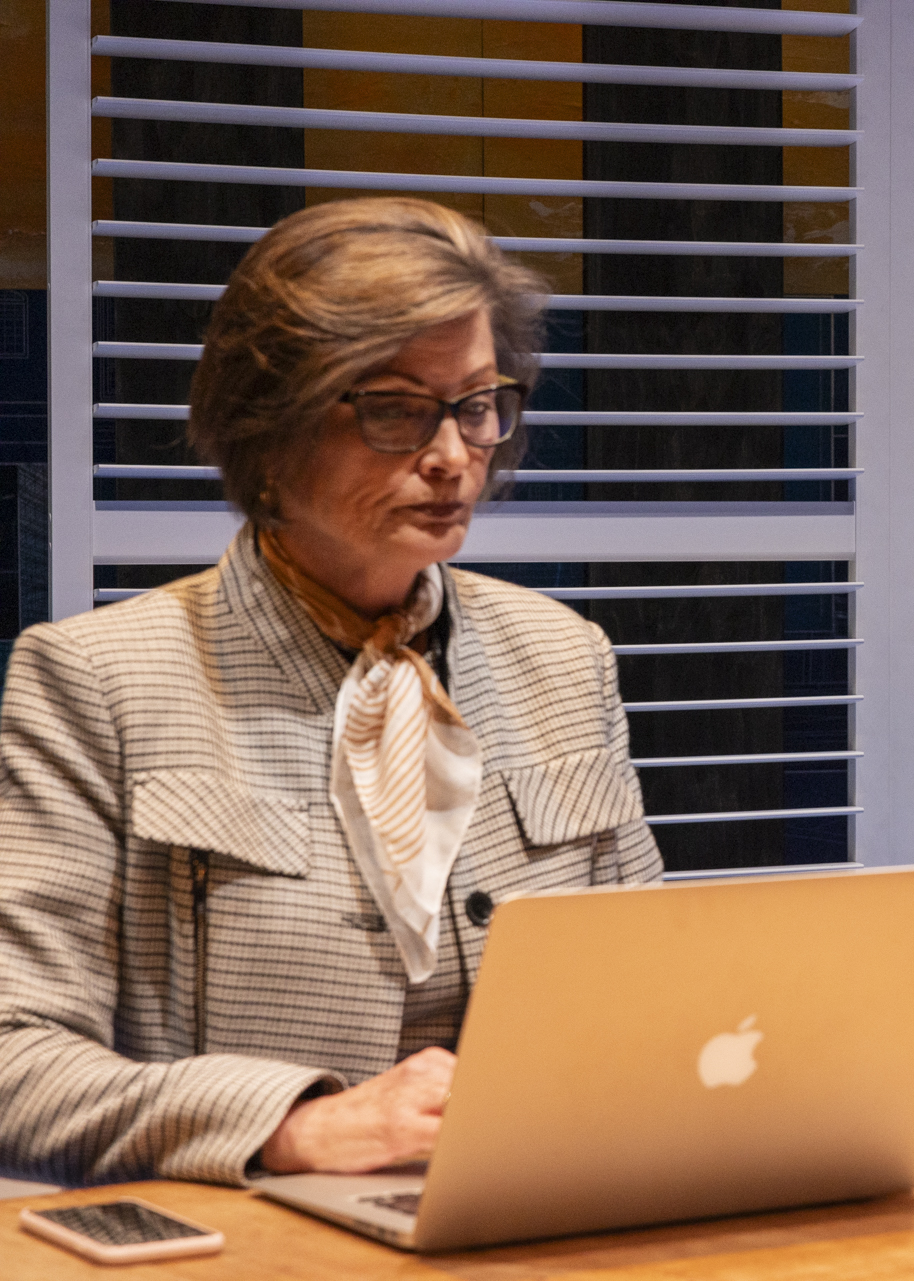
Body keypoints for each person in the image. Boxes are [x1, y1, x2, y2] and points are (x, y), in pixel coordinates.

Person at [0, 198, 661, 1187]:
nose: (451, 456)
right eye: (395, 408)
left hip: (543, 1210)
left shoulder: (562, 657)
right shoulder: (100, 681)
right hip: (267, 1234)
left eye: (476, 405)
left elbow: (657, 995)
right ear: (272, 422)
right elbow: (17, 1057)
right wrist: (293, 1127)